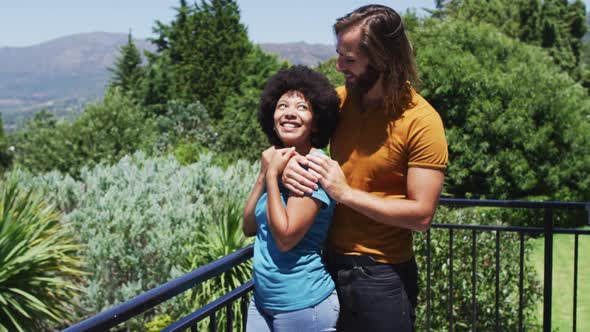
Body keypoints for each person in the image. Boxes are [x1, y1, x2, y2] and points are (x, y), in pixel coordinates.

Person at [282, 5, 449, 332]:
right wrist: (285, 165)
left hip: (382, 277)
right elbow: (292, 131)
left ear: (383, 59)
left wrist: (344, 193)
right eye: (338, 54)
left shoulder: (421, 121)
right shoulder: (339, 101)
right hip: (325, 268)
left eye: (349, 59)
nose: (338, 65)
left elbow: (422, 215)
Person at [242, 65, 341, 332]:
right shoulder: (277, 160)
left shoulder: (313, 166)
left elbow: (285, 238)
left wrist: (273, 175)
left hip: (302, 305)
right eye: (282, 105)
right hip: (263, 302)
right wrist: (264, 175)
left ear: (317, 121)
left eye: (302, 107)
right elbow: (249, 226)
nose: (289, 113)